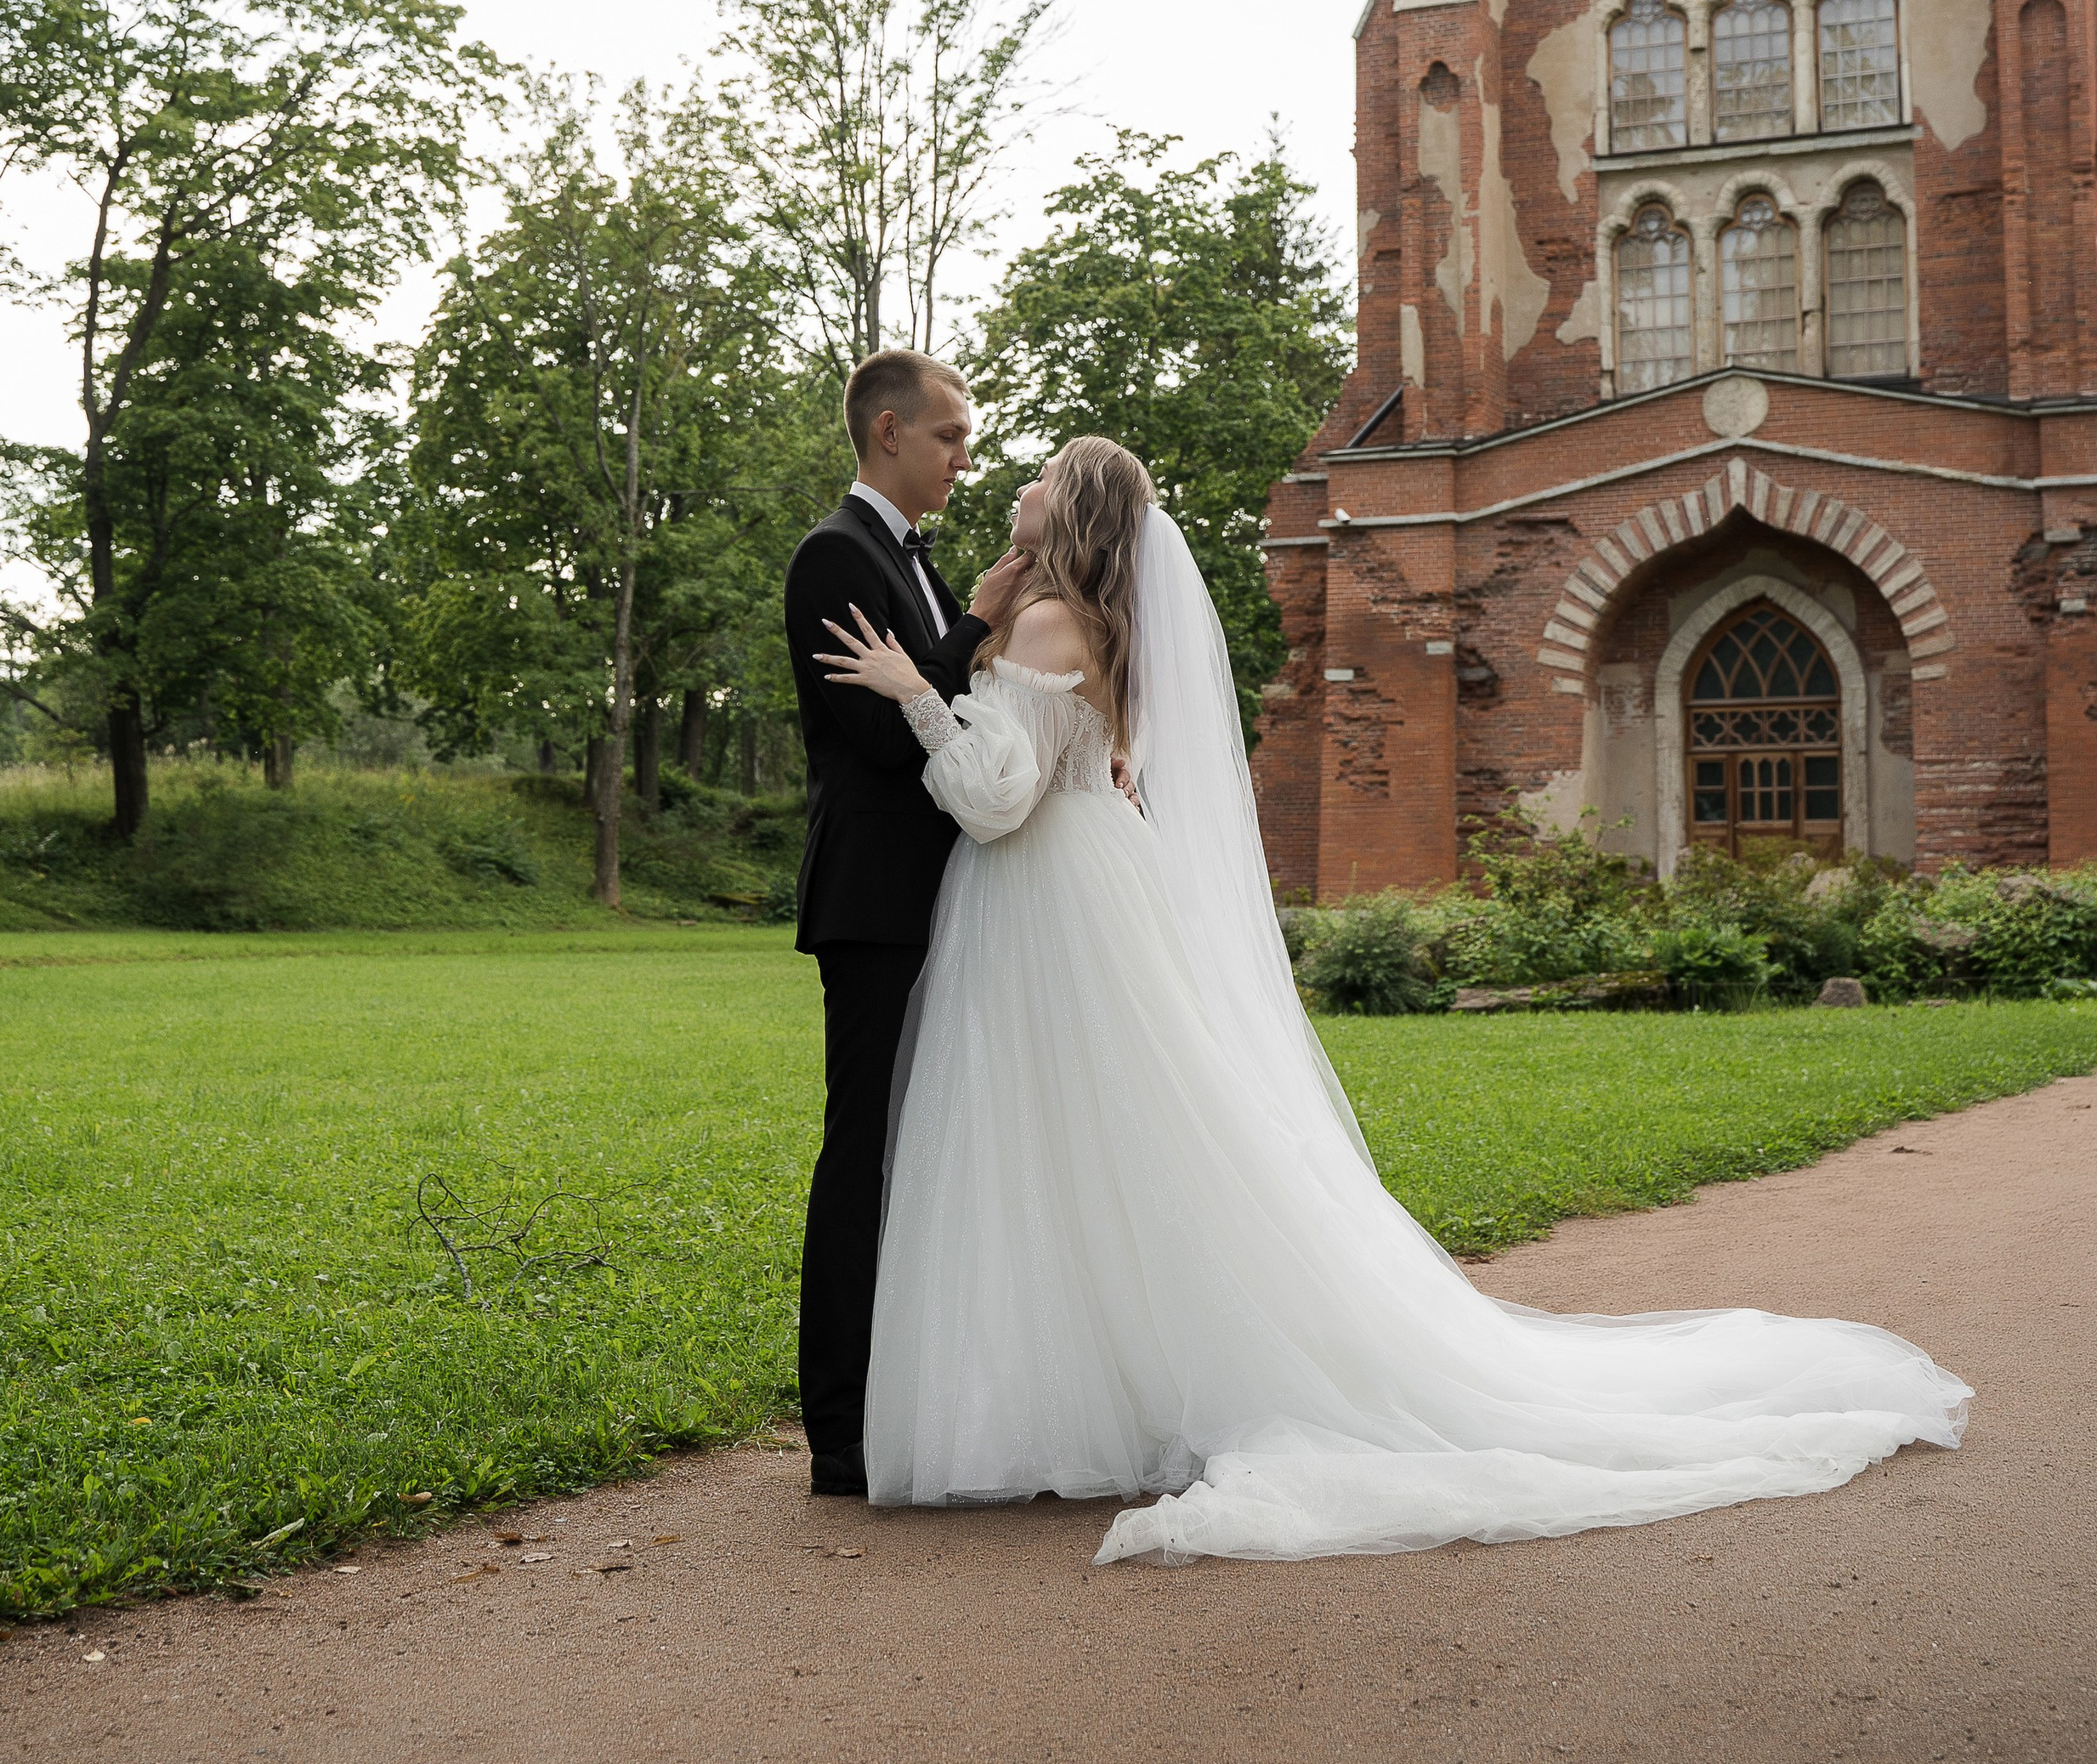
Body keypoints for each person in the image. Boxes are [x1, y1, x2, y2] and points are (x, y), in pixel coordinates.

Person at [816, 434, 1971, 1564]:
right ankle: (1089, 1396)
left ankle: (1061, 1403)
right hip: (1079, 892)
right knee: (1102, 1150)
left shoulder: (1052, 621)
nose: (1015, 480)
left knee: (1053, 1147)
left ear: (1067, 510)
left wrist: (918, 690)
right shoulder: (1085, 622)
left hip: (1043, 899)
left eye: (1042, 472)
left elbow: (992, 799)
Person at [782, 349, 1028, 1500]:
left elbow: (945, 713)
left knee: (934, 1150)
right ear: (889, 431)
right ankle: (840, 1431)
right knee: (866, 1152)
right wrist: (974, 624)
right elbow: (880, 742)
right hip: (875, 901)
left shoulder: (915, 563)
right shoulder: (835, 556)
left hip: (945, 890)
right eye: (950, 438)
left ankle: (922, 1396)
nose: (963, 458)